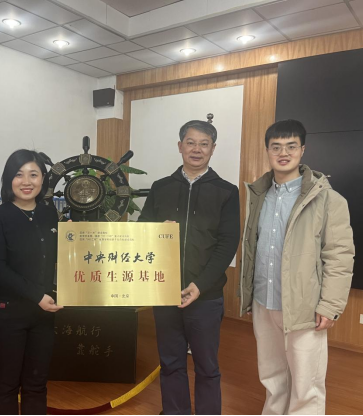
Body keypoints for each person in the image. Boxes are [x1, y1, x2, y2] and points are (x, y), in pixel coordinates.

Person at [240, 119, 355, 415]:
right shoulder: (258, 196)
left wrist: (330, 305)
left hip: (305, 307)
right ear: (267, 150)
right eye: (276, 147)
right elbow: (253, 248)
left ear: (302, 150)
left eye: (291, 146)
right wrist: (250, 293)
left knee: (307, 384)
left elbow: (340, 255)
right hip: (264, 302)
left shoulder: (328, 199)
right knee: (272, 376)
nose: (283, 153)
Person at [139, 120, 241, 415]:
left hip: (205, 295)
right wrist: (157, 229)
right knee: (171, 363)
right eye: (191, 142)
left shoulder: (226, 191)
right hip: (165, 292)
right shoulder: (161, 187)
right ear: (180, 146)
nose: (197, 149)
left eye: (204, 144)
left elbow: (227, 244)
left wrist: (200, 285)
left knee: (207, 367)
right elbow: (142, 230)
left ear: (213, 148)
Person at [0, 150, 63, 416]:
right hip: (7, 312)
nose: (26, 181)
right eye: (19, 175)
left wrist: (75, 238)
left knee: (37, 384)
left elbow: (59, 257)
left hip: (43, 314)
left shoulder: (50, 214)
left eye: (33, 174)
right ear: (9, 179)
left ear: (43, 180)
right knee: (7, 383)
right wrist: (37, 296)